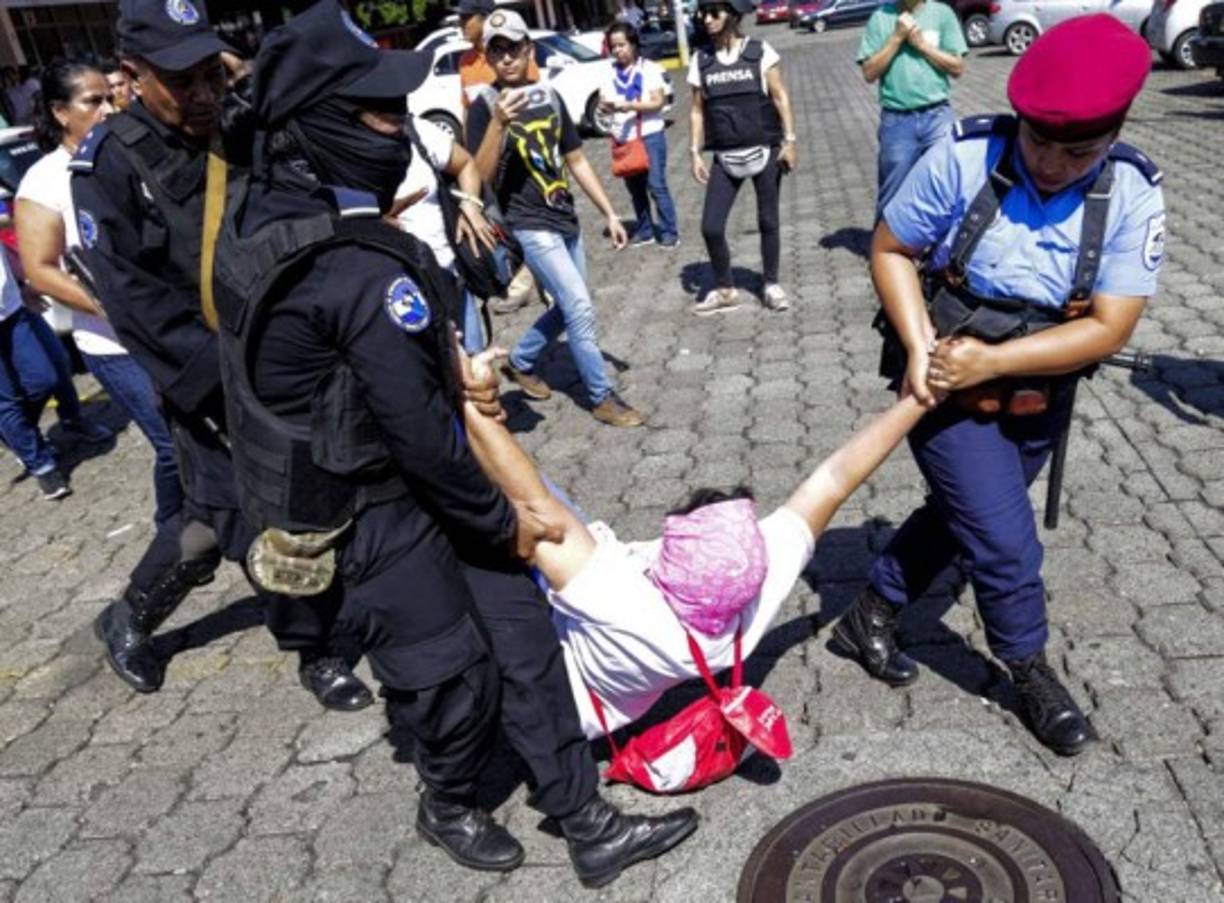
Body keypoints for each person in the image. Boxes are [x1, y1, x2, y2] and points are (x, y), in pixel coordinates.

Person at [212, 0, 696, 887]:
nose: (396, 124)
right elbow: (423, 435)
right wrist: (505, 521)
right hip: (377, 506)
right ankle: (447, 800)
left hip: (410, 477)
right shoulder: (347, 266)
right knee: (449, 677)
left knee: (523, 641)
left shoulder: (267, 216)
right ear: (313, 124)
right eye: (375, 111)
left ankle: (586, 819)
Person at [831, 15, 1164, 757]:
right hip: (943, 379)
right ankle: (1028, 667)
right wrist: (921, 345)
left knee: (964, 516)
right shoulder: (964, 156)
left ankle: (870, 612)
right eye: (1038, 141)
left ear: (1114, 134)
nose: (1051, 163)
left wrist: (995, 362)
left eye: (1078, 152)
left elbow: (1110, 326)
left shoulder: (1133, 192)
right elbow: (891, 248)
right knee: (1006, 544)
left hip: (1038, 393)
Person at [71, 0, 372, 710]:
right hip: (209, 378)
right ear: (132, 74)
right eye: (182, 81)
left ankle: (130, 613)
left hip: (282, 350)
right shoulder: (108, 165)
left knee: (218, 516)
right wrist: (228, 382)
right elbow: (135, 303)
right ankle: (317, 649)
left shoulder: (236, 123)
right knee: (266, 510)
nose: (203, 93)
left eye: (211, 72)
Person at [458, 341, 929, 737]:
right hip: (605, 703)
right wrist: (921, 400)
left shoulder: (622, 600)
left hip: (548, 697)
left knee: (511, 513)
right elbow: (834, 481)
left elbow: (537, 508)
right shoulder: (748, 601)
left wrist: (468, 399)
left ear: (667, 560)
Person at [16, 60, 183, 526]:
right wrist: (114, 309)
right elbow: (41, 270)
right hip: (114, 345)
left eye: (111, 97)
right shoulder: (44, 181)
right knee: (172, 444)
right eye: (94, 101)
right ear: (60, 112)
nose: (109, 109)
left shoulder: (135, 155)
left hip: (171, 327)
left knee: (196, 439)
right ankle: (173, 534)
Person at [468, 10, 645, 427]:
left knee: (570, 307)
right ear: (487, 57)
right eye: (497, 50)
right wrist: (498, 125)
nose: (506, 57)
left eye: (513, 48)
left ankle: (521, 360)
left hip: (565, 217)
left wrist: (609, 212)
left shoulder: (548, 96)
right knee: (580, 307)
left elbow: (576, 159)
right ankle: (601, 396)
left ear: (528, 49)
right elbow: (479, 177)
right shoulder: (484, 107)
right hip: (527, 223)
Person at [688, 0, 797, 315]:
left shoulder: (760, 52)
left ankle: (771, 284)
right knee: (711, 226)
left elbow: (780, 97)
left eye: (714, 12)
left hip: (765, 150)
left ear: (732, 14)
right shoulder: (701, 60)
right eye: (703, 13)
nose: (707, 19)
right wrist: (695, 153)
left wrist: (790, 141)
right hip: (725, 156)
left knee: (768, 220)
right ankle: (725, 289)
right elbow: (696, 110)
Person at [0, 246, 112, 499]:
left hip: (13, 307)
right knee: (7, 400)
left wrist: (23, 279)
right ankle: (40, 464)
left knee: (51, 373)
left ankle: (32, 432)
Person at [456, 0, 541, 316]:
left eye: (466, 18)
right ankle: (518, 274)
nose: (461, 25)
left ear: (484, 18)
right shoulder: (465, 61)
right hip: (482, 148)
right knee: (496, 214)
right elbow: (467, 107)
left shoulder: (514, 51)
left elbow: (532, 94)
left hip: (521, 155)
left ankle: (527, 277)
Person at [394, 113, 498, 354]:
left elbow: (465, 164)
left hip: (450, 276)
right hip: (406, 292)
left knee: (475, 360)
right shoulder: (344, 151)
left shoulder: (415, 129)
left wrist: (470, 205)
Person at [857, 0, 967, 221]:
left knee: (944, 187)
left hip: (937, 117)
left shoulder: (942, 13)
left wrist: (922, 45)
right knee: (892, 193)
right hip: (897, 120)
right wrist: (896, 38)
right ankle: (884, 240)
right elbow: (869, 73)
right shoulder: (880, 18)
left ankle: (940, 240)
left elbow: (957, 67)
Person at [600, 22, 679, 249]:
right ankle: (645, 232)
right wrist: (607, 108)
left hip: (650, 135)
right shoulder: (609, 73)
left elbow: (658, 101)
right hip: (624, 139)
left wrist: (630, 106)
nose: (618, 50)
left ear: (633, 44)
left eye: (622, 45)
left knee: (656, 185)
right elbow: (604, 103)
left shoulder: (649, 69)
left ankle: (670, 232)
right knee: (635, 190)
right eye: (613, 46)